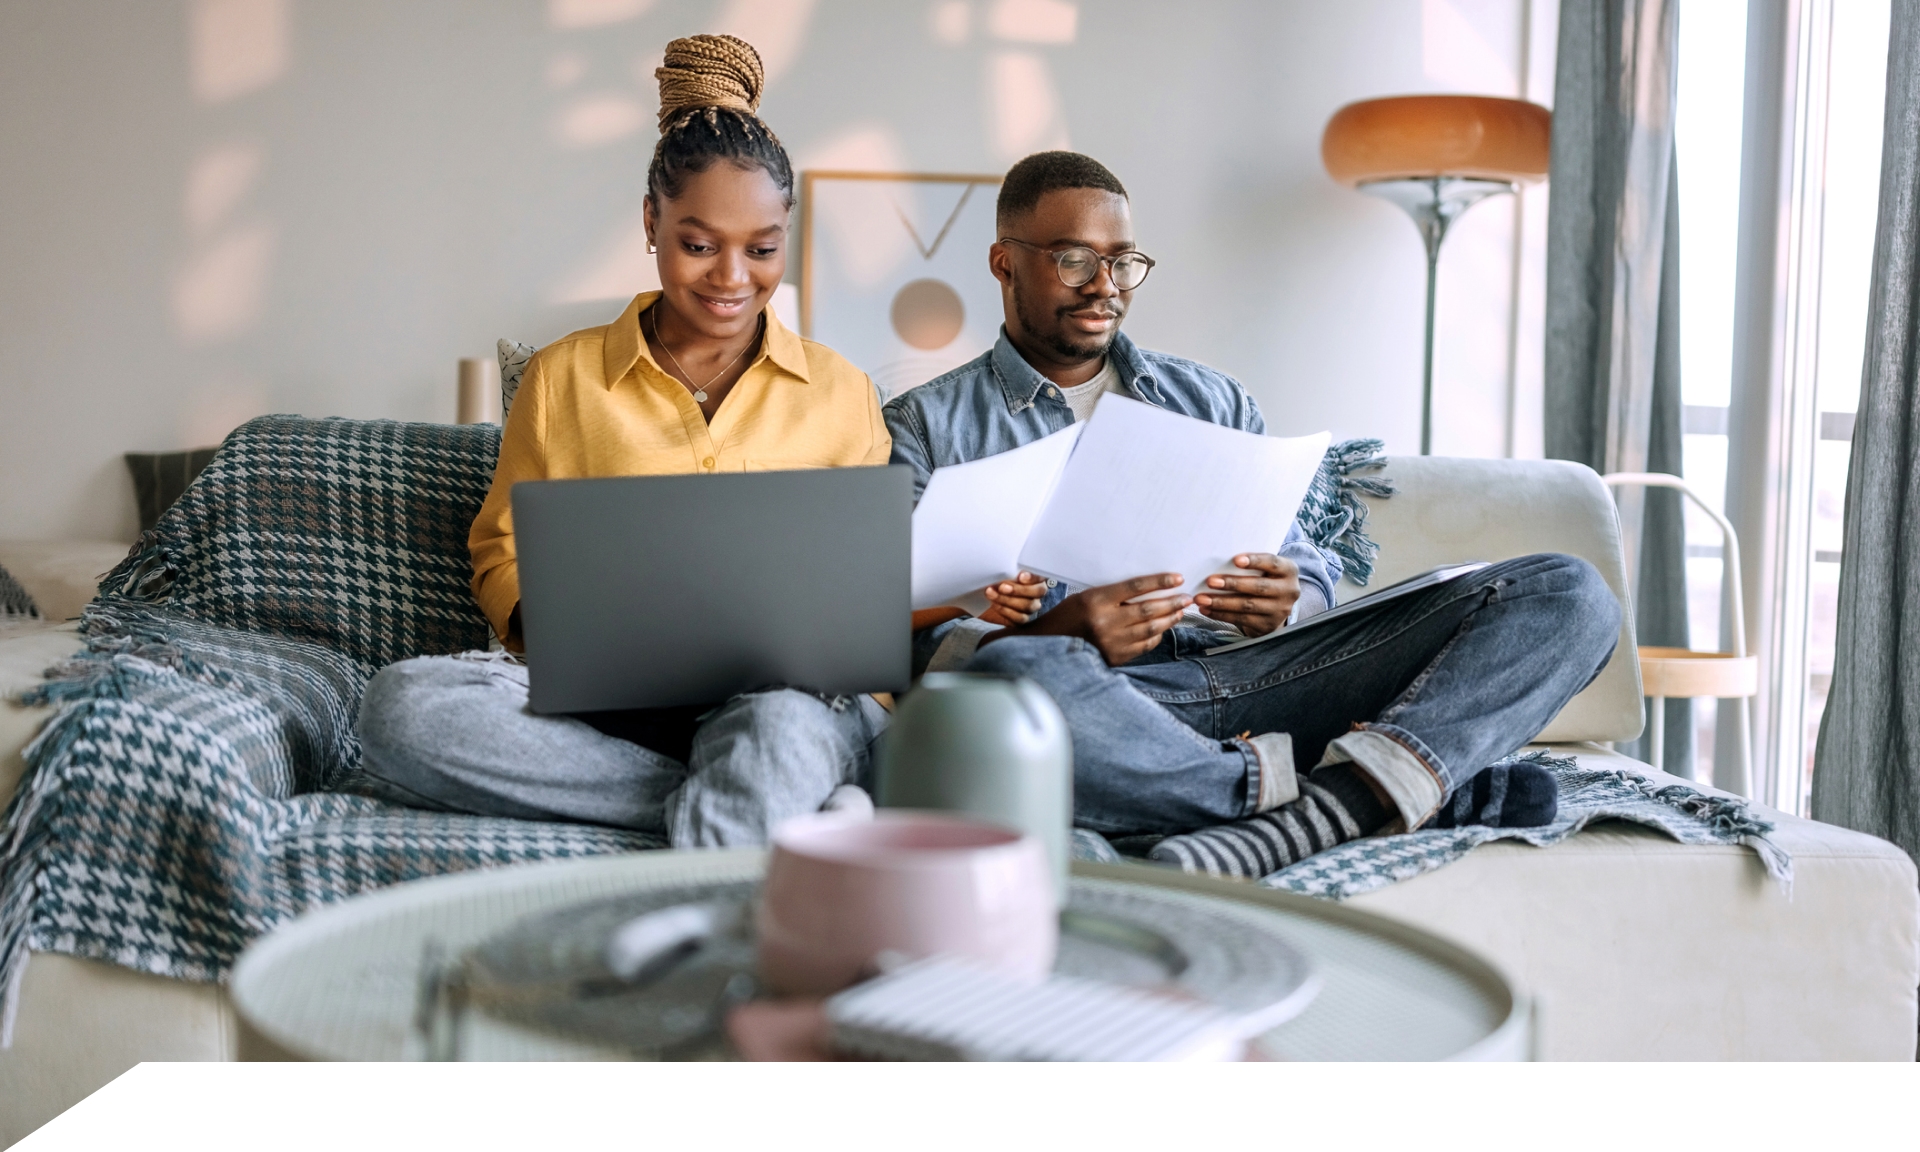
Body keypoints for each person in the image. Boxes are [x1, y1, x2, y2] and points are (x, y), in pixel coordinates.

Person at [885, 151, 1621, 877]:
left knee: (1570, 594)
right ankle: (1342, 795)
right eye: (1075, 260)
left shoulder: (1214, 401)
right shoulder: (923, 425)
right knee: (1008, 686)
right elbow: (904, 639)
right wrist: (1059, 630)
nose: (1106, 286)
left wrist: (1285, 601)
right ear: (1003, 262)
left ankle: (1284, 796)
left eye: (1124, 261)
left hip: (1263, 680)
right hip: (1103, 705)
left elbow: (1304, 566)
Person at [356, 35, 891, 848]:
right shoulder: (562, 379)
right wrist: (570, 631)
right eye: (699, 244)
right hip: (612, 711)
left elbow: (866, 595)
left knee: (780, 735)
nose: (731, 278)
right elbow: (500, 552)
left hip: (781, 706)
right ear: (652, 221)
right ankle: (758, 809)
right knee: (401, 709)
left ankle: (760, 790)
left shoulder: (844, 391)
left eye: (763, 249)